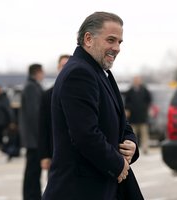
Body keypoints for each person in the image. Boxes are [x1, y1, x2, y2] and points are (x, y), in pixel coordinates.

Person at [42, 12, 143, 200]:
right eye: (111, 40)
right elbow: (85, 134)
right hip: (80, 190)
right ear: (88, 39)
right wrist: (117, 164)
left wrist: (131, 144)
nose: (117, 48)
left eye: (120, 42)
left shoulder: (101, 72)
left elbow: (121, 121)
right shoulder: (79, 73)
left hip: (102, 187)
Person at [38, 54, 70, 171]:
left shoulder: (82, 93)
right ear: (58, 68)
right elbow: (43, 126)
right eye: (62, 66)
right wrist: (44, 155)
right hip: (55, 152)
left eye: (68, 65)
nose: (65, 69)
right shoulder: (48, 95)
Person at [19, 63, 44, 200]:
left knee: (33, 171)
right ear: (37, 72)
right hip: (33, 138)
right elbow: (34, 114)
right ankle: (31, 196)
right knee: (32, 171)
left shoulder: (32, 86)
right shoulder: (31, 87)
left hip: (33, 137)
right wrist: (40, 135)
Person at [124, 76, 152, 154]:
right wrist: (127, 110)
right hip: (133, 117)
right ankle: (133, 150)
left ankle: (145, 149)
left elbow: (149, 100)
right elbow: (126, 102)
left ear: (140, 81)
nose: (137, 81)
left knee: (144, 135)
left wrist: (147, 108)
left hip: (143, 117)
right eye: (135, 80)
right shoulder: (130, 91)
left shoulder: (145, 90)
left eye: (138, 80)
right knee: (133, 135)